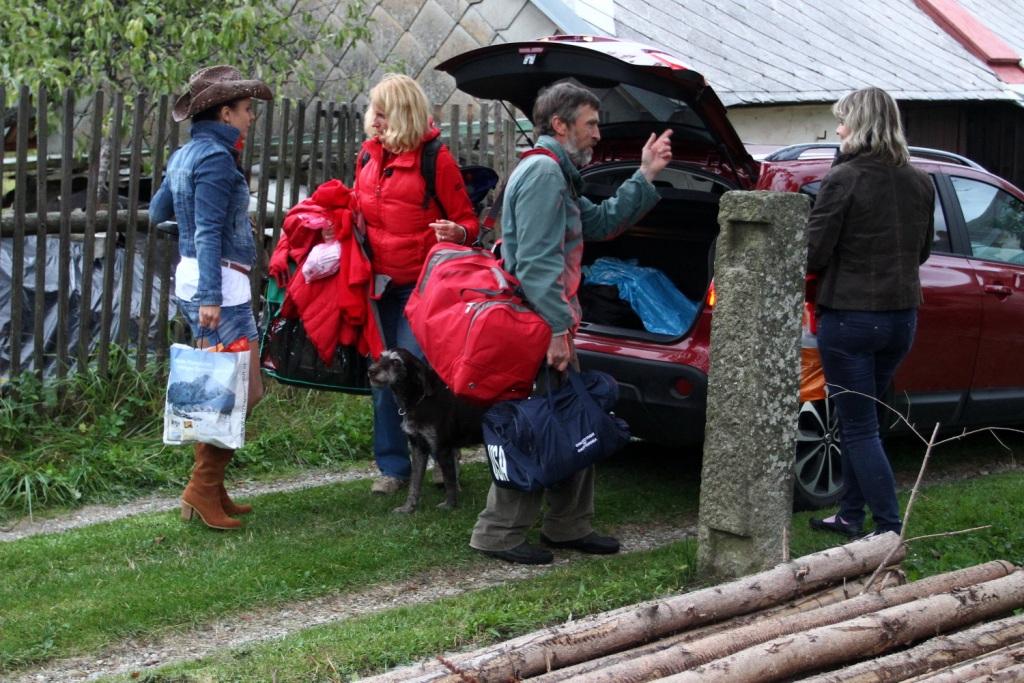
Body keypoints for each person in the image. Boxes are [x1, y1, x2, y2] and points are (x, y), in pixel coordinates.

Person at [469, 81, 673, 564]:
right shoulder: (542, 174)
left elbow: (599, 223)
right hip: (541, 325)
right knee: (534, 428)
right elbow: (537, 264)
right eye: (591, 124)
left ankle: (566, 526)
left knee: (574, 417)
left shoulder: (556, 174)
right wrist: (558, 331)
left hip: (552, 321)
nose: (597, 134)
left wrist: (645, 174)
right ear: (560, 125)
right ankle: (497, 534)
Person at [806, 87, 934, 539]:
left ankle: (888, 530)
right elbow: (921, 252)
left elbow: (814, 251)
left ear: (857, 125)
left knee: (858, 428)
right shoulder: (920, 181)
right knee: (867, 424)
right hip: (901, 318)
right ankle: (850, 515)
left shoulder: (846, 178)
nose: (837, 130)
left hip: (851, 316)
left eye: (842, 121)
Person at [150, 65, 272, 530]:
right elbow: (204, 229)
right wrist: (211, 294)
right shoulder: (218, 160)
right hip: (219, 286)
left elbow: (160, 211)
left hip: (195, 278)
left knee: (222, 385)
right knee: (242, 388)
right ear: (225, 112)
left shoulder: (186, 154)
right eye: (245, 110)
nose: (250, 118)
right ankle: (202, 488)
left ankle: (211, 488)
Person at [353, 73, 480, 495]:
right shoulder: (368, 158)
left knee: (423, 377)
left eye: (384, 112)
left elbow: (468, 222)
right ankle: (393, 468)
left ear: (404, 114)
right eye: (373, 110)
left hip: (422, 289)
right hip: (379, 288)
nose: (375, 119)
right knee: (382, 376)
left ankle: (444, 456)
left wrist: (457, 233)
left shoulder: (435, 159)